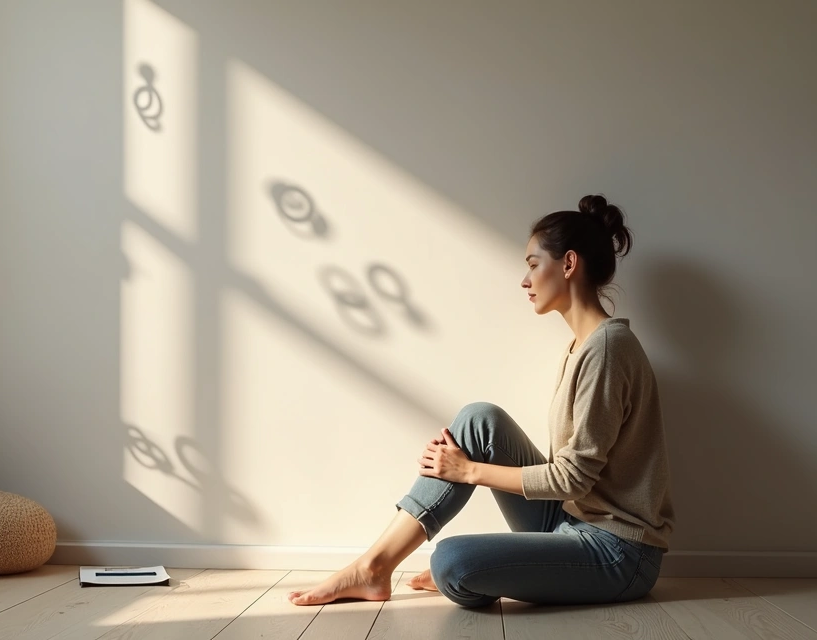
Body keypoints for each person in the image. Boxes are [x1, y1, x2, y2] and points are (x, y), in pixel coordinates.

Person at [288, 194, 675, 608]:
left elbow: (572, 478)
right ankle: (374, 567)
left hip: (618, 553)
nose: (525, 281)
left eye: (532, 264)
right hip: (571, 522)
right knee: (479, 419)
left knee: (453, 563)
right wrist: (462, 464)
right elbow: (572, 482)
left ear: (568, 264)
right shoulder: (582, 347)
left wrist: (468, 470)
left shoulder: (608, 349)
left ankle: (473, 569)